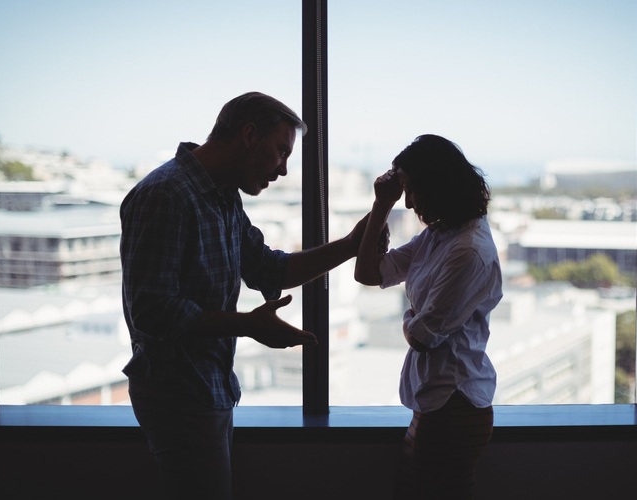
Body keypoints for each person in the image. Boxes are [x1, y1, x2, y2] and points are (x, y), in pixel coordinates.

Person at [120, 91, 371, 499]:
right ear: (249, 135)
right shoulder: (166, 195)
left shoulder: (222, 197)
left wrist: (350, 246)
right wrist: (248, 326)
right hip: (178, 396)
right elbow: (151, 310)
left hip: (204, 390)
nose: (284, 170)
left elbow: (269, 269)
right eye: (280, 152)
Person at [354, 134, 503, 500]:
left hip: (455, 404)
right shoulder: (440, 236)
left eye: (410, 189)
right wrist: (380, 206)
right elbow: (368, 273)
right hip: (437, 404)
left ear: (435, 185)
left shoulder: (467, 251)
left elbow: (423, 336)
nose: (407, 201)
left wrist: (409, 317)